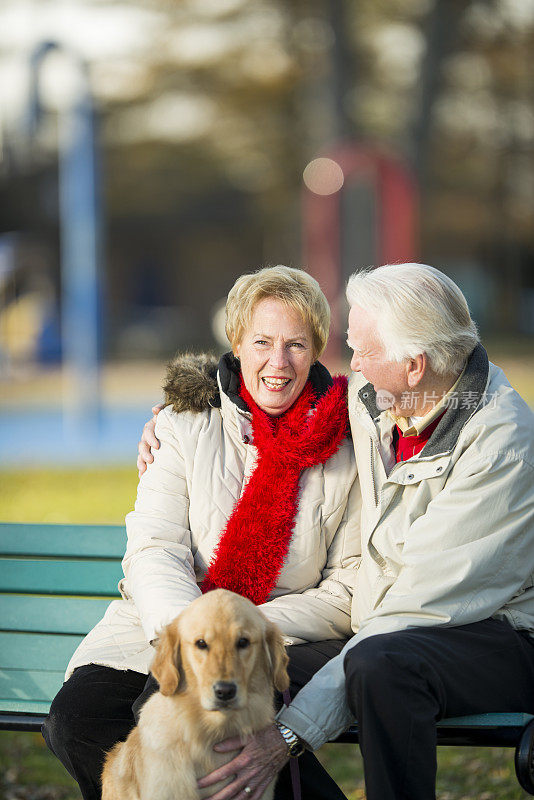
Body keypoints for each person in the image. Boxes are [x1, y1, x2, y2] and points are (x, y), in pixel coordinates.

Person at [149, 262, 532, 800]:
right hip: (380, 625)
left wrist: (289, 733)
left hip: (496, 633)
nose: (351, 366)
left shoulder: (501, 447)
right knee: (231, 673)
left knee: (382, 668)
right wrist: (180, 409)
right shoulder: (381, 398)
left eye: (362, 352)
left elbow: (411, 615)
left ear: (415, 365)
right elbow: (273, 397)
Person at [41, 265, 361, 800]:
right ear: (235, 343)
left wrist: (239, 628)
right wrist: (191, 632)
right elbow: (154, 548)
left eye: (296, 345)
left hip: (281, 637)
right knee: (76, 720)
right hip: (162, 623)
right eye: (262, 342)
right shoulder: (183, 424)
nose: (278, 363)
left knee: (182, 722)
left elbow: (349, 584)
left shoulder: (349, 444)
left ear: (318, 350)